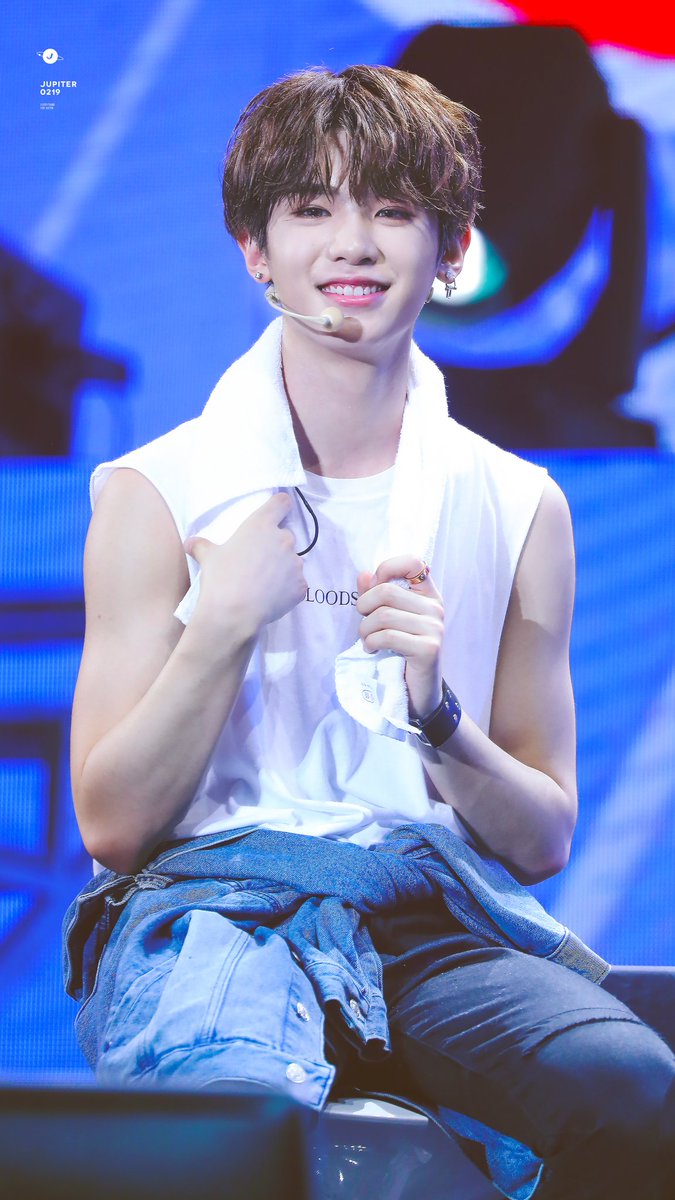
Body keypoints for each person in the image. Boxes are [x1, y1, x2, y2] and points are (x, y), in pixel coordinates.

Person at [65, 65, 674, 1198]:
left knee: (637, 1089)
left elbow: (542, 838)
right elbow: (111, 824)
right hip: (209, 916)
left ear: (451, 250)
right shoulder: (158, 492)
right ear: (256, 250)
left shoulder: (517, 505)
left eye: (392, 210)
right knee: (228, 1130)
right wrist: (221, 625)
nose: (352, 244)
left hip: (428, 918)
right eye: (311, 209)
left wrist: (438, 716)